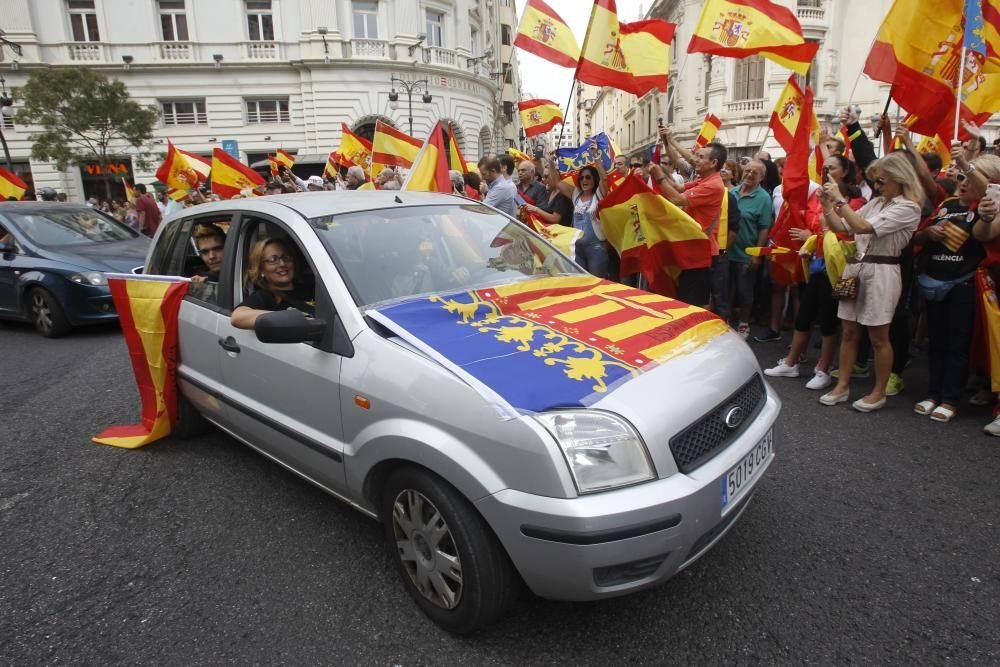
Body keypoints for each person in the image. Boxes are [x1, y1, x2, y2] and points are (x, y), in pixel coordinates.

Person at [818, 152, 923, 412]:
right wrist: (826, 205)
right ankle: (842, 385)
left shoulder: (909, 207)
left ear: (900, 178)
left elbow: (863, 226)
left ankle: (879, 392)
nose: (877, 186)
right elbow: (842, 226)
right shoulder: (877, 202)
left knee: (879, 336)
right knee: (849, 331)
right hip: (854, 267)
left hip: (882, 270)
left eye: (882, 181)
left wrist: (839, 199)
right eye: (876, 181)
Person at [765, 155, 866, 390]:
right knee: (805, 314)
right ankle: (792, 363)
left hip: (843, 269)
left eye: (831, 167)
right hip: (817, 264)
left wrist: (815, 233)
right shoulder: (817, 196)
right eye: (824, 167)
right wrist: (811, 242)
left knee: (830, 320)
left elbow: (847, 231)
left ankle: (824, 369)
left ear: (844, 172)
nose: (825, 170)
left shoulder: (856, 201)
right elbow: (814, 225)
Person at [912, 155, 1000, 423]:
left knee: (957, 344)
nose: (962, 182)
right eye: (959, 176)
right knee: (936, 342)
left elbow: (984, 235)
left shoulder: (988, 207)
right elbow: (917, 238)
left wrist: (984, 215)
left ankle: (951, 398)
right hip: (935, 283)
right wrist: (928, 234)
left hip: (965, 284)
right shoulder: (946, 205)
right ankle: (932, 393)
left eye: (969, 176)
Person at [649, 132, 727, 311]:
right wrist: (669, 144)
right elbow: (677, 187)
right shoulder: (704, 179)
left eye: (700, 157)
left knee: (697, 302)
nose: (695, 160)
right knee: (686, 296)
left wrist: (660, 176)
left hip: (702, 251)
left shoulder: (712, 185)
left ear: (713, 163)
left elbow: (677, 199)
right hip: (692, 248)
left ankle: (701, 335)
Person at [548, 145, 610, 278]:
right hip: (577, 249)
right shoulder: (576, 195)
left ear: (594, 180)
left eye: (588, 177)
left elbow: (604, 179)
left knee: (597, 284)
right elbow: (556, 182)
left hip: (596, 249)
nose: (584, 180)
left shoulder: (599, 195)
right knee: (581, 284)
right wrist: (550, 162)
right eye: (581, 178)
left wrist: (596, 156)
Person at [728, 160, 773, 338]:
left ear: (761, 177)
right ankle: (725, 321)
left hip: (747, 253)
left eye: (755, 172)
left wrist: (757, 254)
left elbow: (764, 227)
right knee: (726, 290)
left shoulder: (763, 198)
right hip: (727, 251)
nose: (749, 174)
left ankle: (744, 324)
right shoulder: (731, 192)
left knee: (745, 291)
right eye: (747, 171)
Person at [231, 238, 314, 329]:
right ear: (261, 269)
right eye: (273, 259)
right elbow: (237, 317)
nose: (282, 264)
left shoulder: (312, 287)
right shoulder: (266, 296)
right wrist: (291, 318)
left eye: (285, 257)